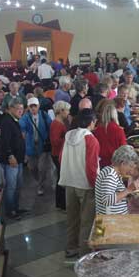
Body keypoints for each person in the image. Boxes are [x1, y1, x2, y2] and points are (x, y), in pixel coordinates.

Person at [59, 109, 99, 257]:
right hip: (85, 184)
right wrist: (96, 184)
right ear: (91, 122)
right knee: (87, 221)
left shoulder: (69, 135)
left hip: (69, 181)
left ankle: (71, 248)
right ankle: (84, 253)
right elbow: (91, 166)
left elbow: (61, 158)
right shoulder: (91, 139)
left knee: (72, 218)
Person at [0, 98, 26, 220]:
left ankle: (16, 207)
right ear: (10, 109)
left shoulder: (14, 120)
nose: (21, 111)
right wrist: (10, 156)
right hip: (11, 160)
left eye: (22, 109)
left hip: (18, 158)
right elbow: (4, 142)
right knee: (11, 186)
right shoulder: (6, 121)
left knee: (18, 185)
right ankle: (10, 211)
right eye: (18, 109)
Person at [19, 97, 52, 196]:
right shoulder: (26, 117)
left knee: (42, 167)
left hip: (43, 146)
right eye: (31, 106)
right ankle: (40, 181)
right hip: (30, 146)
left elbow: (50, 126)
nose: (33, 108)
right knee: (32, 168)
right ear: (28, 107)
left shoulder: (44, 115)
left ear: (39, 106)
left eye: (35, 106)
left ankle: (40, 185)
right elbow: (21, 126)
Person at [95, 145, 139, 215]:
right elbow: (107, 200)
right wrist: (128, 190)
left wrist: (129, 193)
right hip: (110, 221)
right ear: (123, 163)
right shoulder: (110, 175)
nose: (131, 170)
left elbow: (115, 194)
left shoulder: (113, 172)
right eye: (130, 166)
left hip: (114, 220)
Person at [93, 101, 127, 168]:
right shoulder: (119, 130)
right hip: (115, 165)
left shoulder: (96, 130)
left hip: (101, 164)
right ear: (115, 114)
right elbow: (124, 149)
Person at [50, 101, 70, 210]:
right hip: (57, 154)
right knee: (61, 178)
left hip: (58, 153)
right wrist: (67, 137)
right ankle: (61, 203)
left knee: (61, 177)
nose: (68, 112)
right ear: (61, 111)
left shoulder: (60, 122)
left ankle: (61, 203)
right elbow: (55, 141)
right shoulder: (57, 124)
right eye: (67, 110)